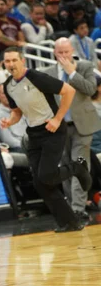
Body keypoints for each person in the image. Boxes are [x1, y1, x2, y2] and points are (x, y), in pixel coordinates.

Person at [1, 47, 90, 232]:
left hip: (53, 130)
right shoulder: (8, 85)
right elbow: (17, 112)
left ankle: (77, 167)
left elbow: (68, 91)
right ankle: (70, 222)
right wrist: (9, 121)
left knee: (46, 175)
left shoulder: (36, 77)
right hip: (33, 134)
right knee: (40, 183)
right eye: (7, 61)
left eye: (14, 60)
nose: (10, 64)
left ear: (22, 61)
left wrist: (58, 119)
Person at [40, 38, 101, 223]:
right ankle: (70, 205)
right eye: (60, 53)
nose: (64, 56)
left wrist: (72, 73)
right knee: (65, 165)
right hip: (60, 129)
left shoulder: (85, 66)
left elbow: (91, 90)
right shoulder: (48, 73)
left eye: (67, 52)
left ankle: (78, 208)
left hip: (82, 127)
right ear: (54, 53)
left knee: (80, 163)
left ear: (72, 50)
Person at [0, 84, 27, 152]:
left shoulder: (21, 110)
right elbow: (8, 140)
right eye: (4, 93)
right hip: (16, 148)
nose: (8, 95)